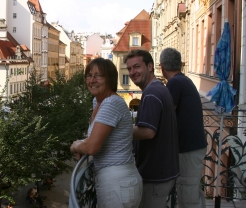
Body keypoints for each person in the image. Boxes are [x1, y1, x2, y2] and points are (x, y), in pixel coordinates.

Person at [70, 57, 142, 208]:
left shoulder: (111, 103)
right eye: (89, 75)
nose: (92, 80)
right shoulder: (98, 102)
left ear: (109, 79)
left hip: (117, 182)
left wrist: (76, 146)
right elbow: (95, 137)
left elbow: (91, 147)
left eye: (98, 75)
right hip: (114, 181)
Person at [125, 49, 179, 208]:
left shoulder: (151, 93)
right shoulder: (159, 88)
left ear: (150, 66)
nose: (132, 72)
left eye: (136, 67)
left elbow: (148, 131)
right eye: (129, 69)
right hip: (163, 172)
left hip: (155, 174)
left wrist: (119, 132)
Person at [160, 47, 207, 208]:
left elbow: (166, 114)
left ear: (162, 67)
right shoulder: (184, 80)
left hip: (188, 148)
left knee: (187, 193)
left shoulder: (175, 83)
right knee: (192, 190)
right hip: (194, 146)